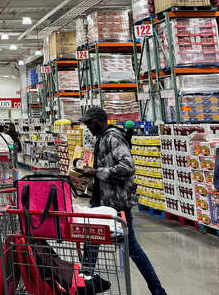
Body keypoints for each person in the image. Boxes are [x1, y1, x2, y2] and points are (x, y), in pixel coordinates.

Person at [77, 107, 168, 295]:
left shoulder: (113, 137)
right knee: (91, 243)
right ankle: (83, 285)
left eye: (89, 123)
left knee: (131, 248)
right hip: (103, 203)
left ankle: (158, 291)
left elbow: (127, 167)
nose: (88, 127)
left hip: (118, 204)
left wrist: (97, 172)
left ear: (100, 120)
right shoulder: (101, 138)